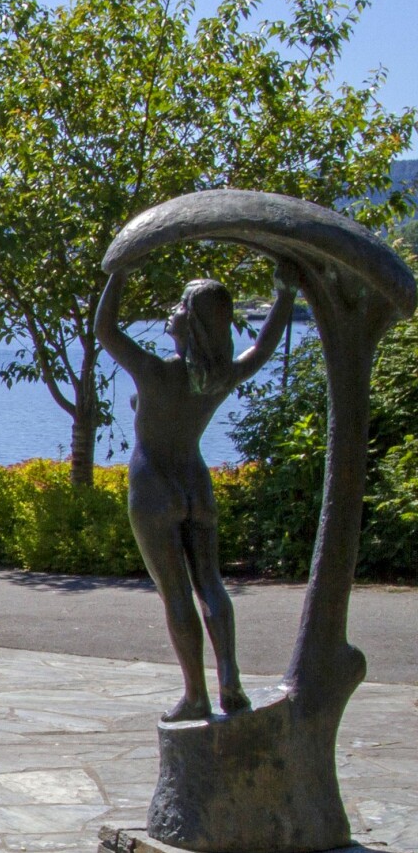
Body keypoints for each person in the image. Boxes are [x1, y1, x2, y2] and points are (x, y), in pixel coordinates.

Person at [95, 261, 298, 722]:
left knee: (176, 594)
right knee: (210, 582)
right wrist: (285, 293)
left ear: (191, 318)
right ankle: (230, 676)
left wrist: (120, 267)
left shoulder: (155, 372)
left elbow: (104, 330)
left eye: (180, 305)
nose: (172, 310)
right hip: (196, 483)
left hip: (153, 487)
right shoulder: (222, 375)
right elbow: (264, 346)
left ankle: (196, 696)